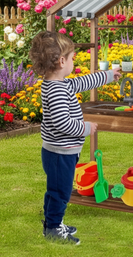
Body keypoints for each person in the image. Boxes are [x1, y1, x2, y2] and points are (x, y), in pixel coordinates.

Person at [29, 31, 121, 244]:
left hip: (59, 151)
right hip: (60, 153)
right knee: (60, 191)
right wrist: (85, 128)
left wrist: (108, 75)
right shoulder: (57, 91)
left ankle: (53, 222)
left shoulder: (58, 84)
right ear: (61, 61)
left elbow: (83, 82)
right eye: (72, 58)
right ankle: (53, 228)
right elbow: (63, 123)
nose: (73, 61)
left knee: (55, 189)